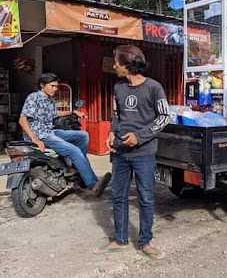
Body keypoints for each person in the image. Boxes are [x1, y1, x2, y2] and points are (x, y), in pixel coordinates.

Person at [105, 45, 170, 259]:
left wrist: (139, 137)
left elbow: (163, 117)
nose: (114, 65)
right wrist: (112, 133)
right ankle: (121, 238)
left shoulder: (154, 87)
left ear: (127, 65)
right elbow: (116, 114)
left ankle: (145, 241)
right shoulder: (118, 87)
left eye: (117, 62)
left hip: (144, 153)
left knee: (146, 197)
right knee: (118, 195)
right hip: (121, 153)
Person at [19, 73, 111, 196]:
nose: (55, 89)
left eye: (56, 87)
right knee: (74, 151)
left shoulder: (50, 99)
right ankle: (92, 184)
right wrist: (34, 139)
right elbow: (22, 119)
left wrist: (73, 112)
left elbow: (55, 114)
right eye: (52, 86)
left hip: (50, 131)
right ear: (42, 85)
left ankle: (77, 167)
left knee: (83, 135)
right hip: (40, 135)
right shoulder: (34, 97)